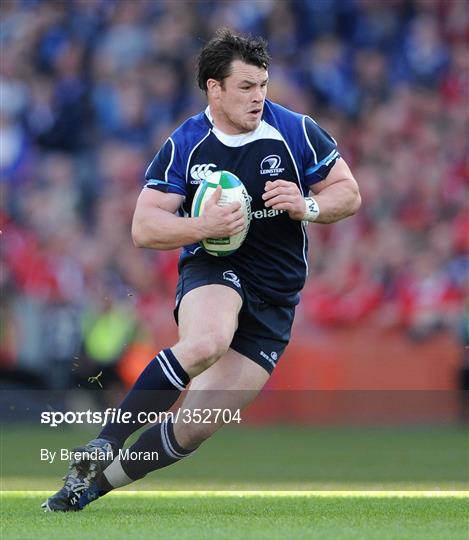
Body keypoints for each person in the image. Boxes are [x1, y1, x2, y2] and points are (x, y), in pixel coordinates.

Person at [43, 28, 360, 512]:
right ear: (215, 88)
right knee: (206, 341)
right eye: (246, 87)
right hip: (215, 269)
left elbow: (349, 192)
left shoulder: (296, 130)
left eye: (263, 86)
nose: (258, 98)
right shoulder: (187, 143)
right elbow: (144, 227)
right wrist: (201, 225)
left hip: (276, 299)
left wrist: (308, 205)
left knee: (195, 428)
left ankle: (89, 488)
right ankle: (104, 442)